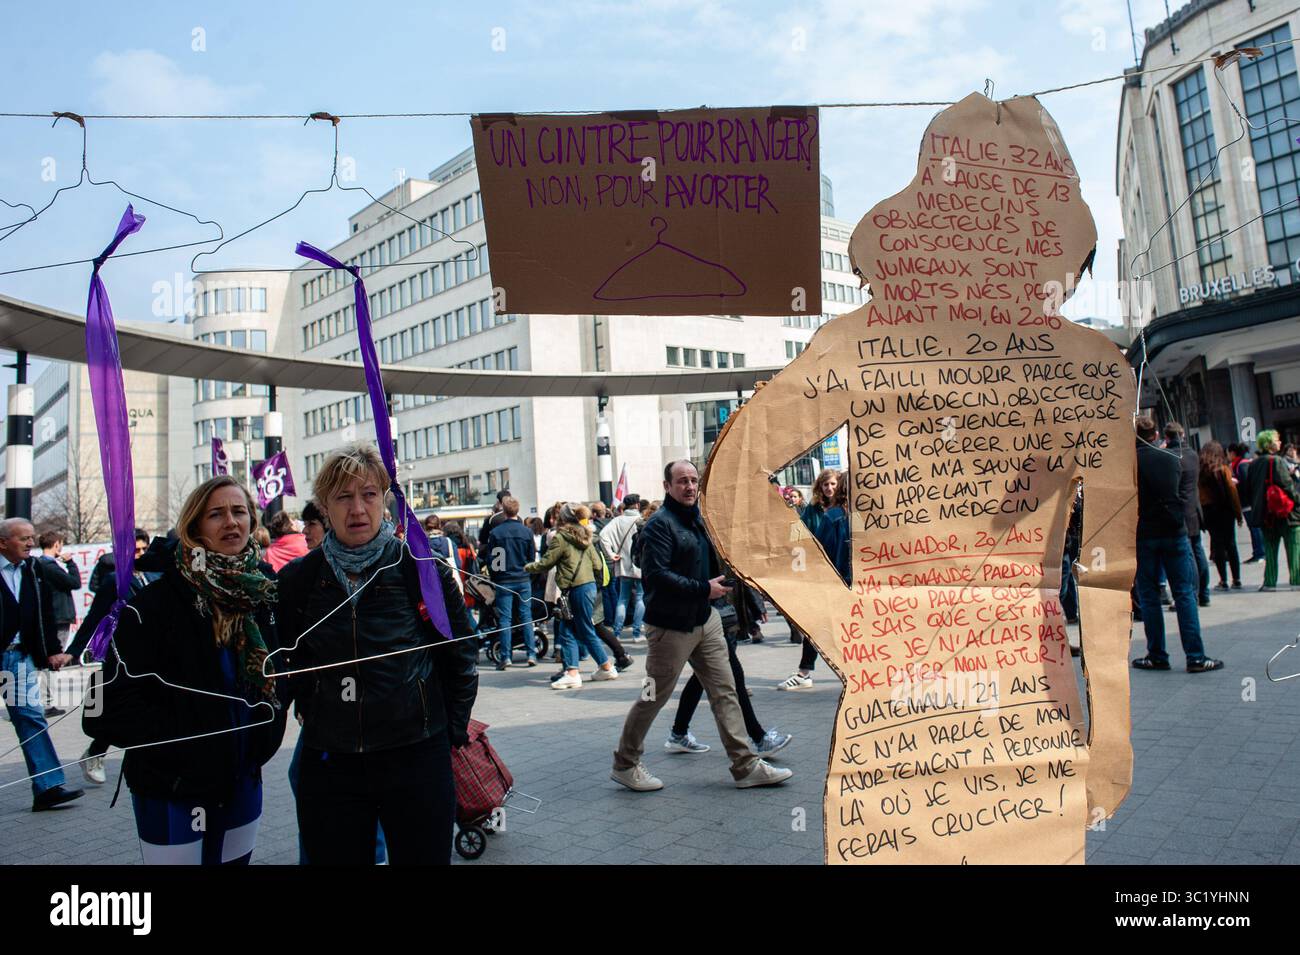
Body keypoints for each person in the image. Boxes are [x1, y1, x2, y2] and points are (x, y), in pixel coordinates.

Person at [277, 443, 478, 865]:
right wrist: (310, 712)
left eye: (368, 494)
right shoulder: (299, 579)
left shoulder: (419, 568)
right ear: (324, 507)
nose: (357, 508)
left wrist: (450, 732)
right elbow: (286, 663)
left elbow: (460, 653)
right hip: (331, 759)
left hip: (416, 753)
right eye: (343, 497)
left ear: (384, 500)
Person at [82, 477, 285, 863]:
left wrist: (267, 729)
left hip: (242, 781)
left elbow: (282, 671)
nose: (231, 522)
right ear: (194, 526)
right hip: (172, 790)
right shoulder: (154, 602)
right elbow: (102, 708)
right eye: (217, 514)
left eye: (239, 511)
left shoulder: (261, 591)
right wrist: (184, 747)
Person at [611, 461, 793, 792]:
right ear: (667, 486)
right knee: (653, 696)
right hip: (670, 627)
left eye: (694, 480)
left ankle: (745, 765)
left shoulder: (699, 519)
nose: (690, 486)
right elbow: (656, 576)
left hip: (706, 619)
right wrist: (703, 588)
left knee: (725, 691)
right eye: (682, 481)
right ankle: (625, 763)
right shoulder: (659, 526)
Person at [667, 559, 792, 759]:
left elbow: (733, 574)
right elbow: (664, 576)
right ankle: (758, 739)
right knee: (732, 677)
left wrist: (754, 605)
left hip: (710, 616)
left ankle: (678, 733)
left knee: (702, 678)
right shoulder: (678, 532)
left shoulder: (703, 533)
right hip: (692, 617)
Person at [0, 518, 84, 811]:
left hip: (19, 657)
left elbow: (43, 612)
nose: (30, 543)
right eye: (23, 538)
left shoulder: (34, 569)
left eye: (31, 537)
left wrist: (51, 650)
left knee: (32, 718)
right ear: (3, 542)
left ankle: (48, 787)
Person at [67, 531, 161, 785]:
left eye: (143, 550)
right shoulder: (114, 581)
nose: (138, 555)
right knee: (118, 706)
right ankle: (96, 752)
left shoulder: (157, 576)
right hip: (121, 655)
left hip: (154, 654)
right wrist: (73, 651)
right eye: (134, 551)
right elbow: (94, 618)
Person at [1131, 418, 1224, 673]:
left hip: (1144, 533)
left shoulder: (1129, 464)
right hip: (1174, 530)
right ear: (1157, 434)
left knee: (1149, 596)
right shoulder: (1173, 458)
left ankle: (1157, 654)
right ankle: (1195, 656)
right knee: (1184, 594)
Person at [525, 503, 618, 689]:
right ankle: (592, 668)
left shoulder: (561, 538)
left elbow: (546, 562)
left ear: (563, 518)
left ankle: (586, 671)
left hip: (575, 589)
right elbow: (598, 565)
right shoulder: (586, 536)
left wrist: (527, 567)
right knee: (574, 629)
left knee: (577, 629)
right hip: (589, 587)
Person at [778, 468, 849, 690]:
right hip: (828, 577)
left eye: (833, 485)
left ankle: (805, 672)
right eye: (826, 485)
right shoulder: (816, 511)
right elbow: (799, 539)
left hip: (833, 578)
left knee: (821, 625)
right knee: (819, 625)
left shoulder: (837, 515)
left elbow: (822, 548)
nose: (829, 488)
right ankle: (804, 672)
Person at [484, 496, 539, 669]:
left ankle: (506, 657)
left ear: (504, 512)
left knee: (505, 619)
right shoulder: (526, 532)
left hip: (504, 580)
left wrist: (496, 576)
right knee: (526, 617)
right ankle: (531, 653)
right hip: (523, 579)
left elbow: (493, 561)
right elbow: (531, 558)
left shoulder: (496, 533)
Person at [1242, 429, 1300, 591]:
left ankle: (1269, 581)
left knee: (1270, 547)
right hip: (1285, 512)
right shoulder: (1277, 461)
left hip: (1265, 514)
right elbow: (1287, 486)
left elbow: (1249, 489)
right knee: (1294, 547)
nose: (1280, 442)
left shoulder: (1253, 464)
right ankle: (1296, 580)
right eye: (1277, 440)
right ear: (1269, 444)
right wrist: (1297, 499)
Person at [1165, 423, 1210, 607]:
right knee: (1198, 551)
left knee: (1188, 555)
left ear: (1167, 438)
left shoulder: (1172, 457)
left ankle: (1193, 592)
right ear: (1182, 434)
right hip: (1195, 510)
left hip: (1181, 512)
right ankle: (1204, 592)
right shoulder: (1192, 454)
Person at [36, 530, 81, 717]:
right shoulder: (50, 566)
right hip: (58, 617)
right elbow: (74, 582)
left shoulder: (39, 565)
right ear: (56, 545)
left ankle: (44, 701)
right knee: (53, 660)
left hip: (53, 616)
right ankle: (46, 702)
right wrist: (70, 563)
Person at [599, 493, 645, 644]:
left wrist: (611, 554)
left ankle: (617, 632)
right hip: (640, 565)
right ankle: (637, 633)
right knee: (639, 598)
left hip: (623, 565)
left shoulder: (617, 521)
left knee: (622, 599)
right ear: (637, 505)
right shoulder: (642, 521)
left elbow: (603, 535)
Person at [1198, 440, 1243, 591]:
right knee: (1231, 544)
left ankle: (1223, 580)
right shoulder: (1224, 469)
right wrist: (1238, 514)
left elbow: (1199, 495)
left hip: (1209, 512)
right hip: (1226, 511)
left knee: (1217, 545)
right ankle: (1236, 579)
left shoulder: (1201, 472)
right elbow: (1232, 491)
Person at [1231, 443, 1266, 564]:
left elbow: (1246, 483)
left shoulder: (1242, 465)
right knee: (1253, 528)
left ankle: (1260, 552)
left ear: (1233, 453)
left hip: (1248, 502)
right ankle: (1257, 552)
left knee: (1254, 528)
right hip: (1247, 502)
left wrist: (1237, 484)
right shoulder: (1241, 463)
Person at [88, 527, 150, 593]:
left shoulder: (153, 570)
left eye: (144, 549)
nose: (142, 553)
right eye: (136, 550)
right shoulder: (109, 567)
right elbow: (95, 587)